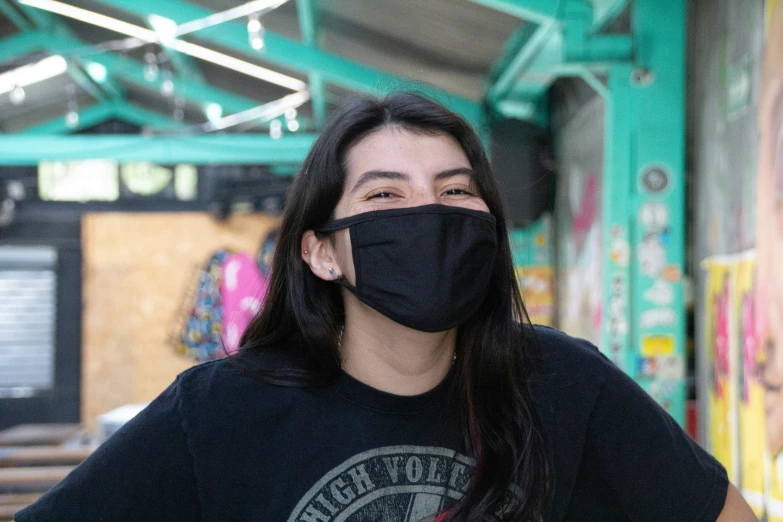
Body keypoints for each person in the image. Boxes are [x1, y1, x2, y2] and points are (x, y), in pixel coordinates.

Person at [16, 92, 754, 522]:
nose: (427, 214)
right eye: (384, 196)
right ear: (321, 251)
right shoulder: (218, 413)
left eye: (456, 190)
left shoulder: (563, 384)